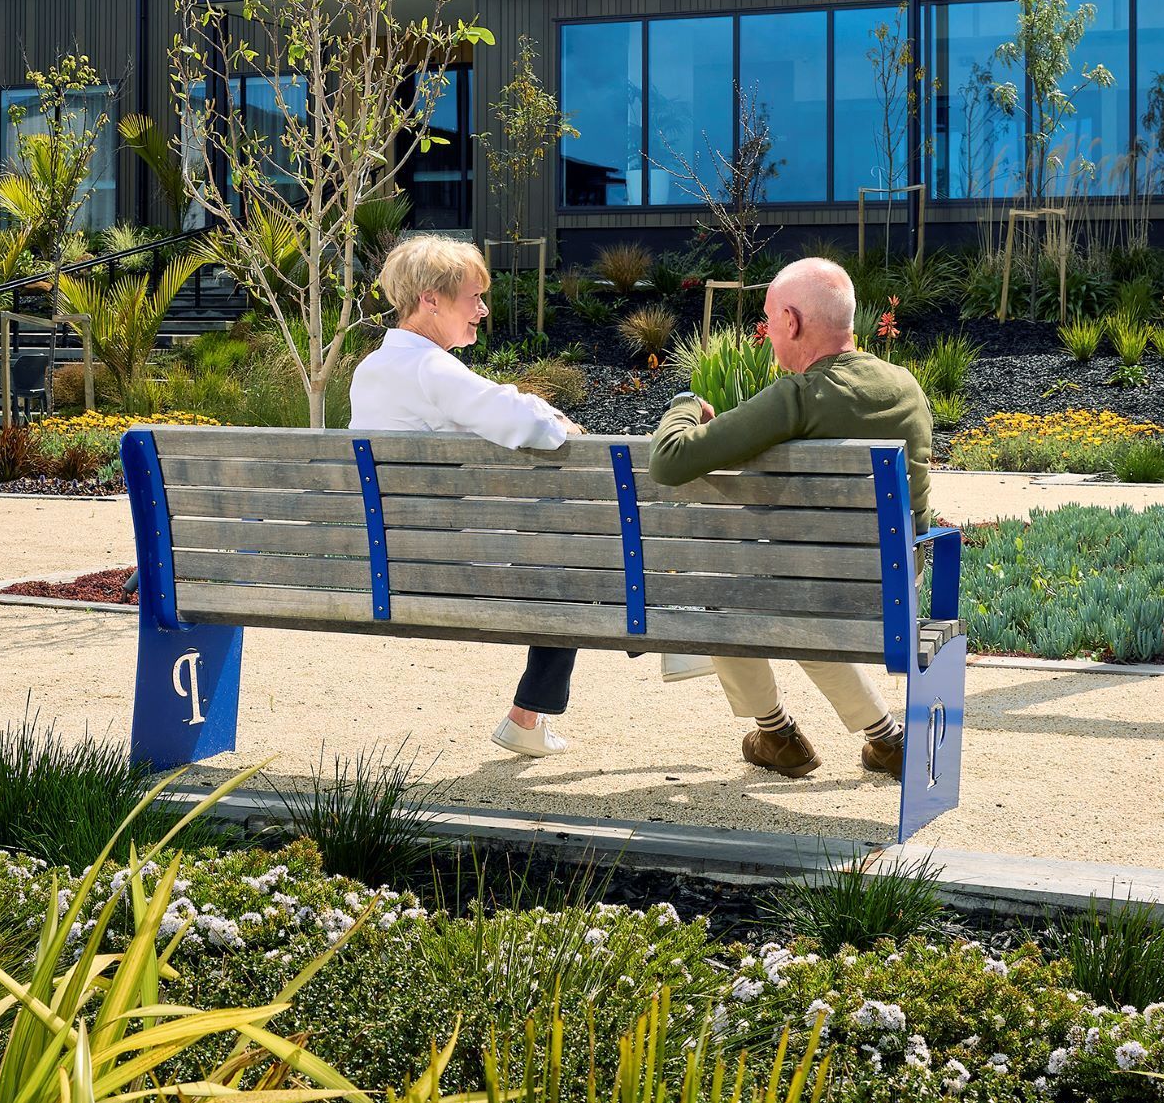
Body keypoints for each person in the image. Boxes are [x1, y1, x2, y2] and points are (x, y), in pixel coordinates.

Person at [649, 257, 919, 781]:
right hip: (895, 583)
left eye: (770, 318)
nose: (768, 331)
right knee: (801, 594)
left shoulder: (799, 396)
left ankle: (776, 733)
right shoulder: (905, 386)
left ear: (791, 322)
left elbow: (670, 460)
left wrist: (684, 403)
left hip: (814, 588)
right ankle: (887, 741)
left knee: (729, 595)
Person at [347, 234, 592, 759]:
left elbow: (488, 406)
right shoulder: (430, 368)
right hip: (444, 568)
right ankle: (670, 638)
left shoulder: (372, 369)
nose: (482, 309)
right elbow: (518, 420)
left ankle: (527, 718)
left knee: (568, 557)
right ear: (430, 300)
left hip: (388, 560)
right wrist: (561, 421)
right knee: (575, 568)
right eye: (472, 296)